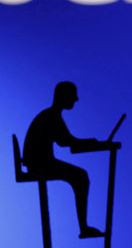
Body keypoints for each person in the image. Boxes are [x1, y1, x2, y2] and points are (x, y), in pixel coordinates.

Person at [23, 81, 104, 238]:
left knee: (80, 176)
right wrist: (92, 142)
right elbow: (67, 142)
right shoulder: (51, 116)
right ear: (63, 96)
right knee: (81, 177)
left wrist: (90, 143)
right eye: (73, 95)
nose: (76, 99)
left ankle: (84, 227)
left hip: (39, 162)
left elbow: (65, 141)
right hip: (40, 164)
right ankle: (84, 227)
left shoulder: (52, 115)